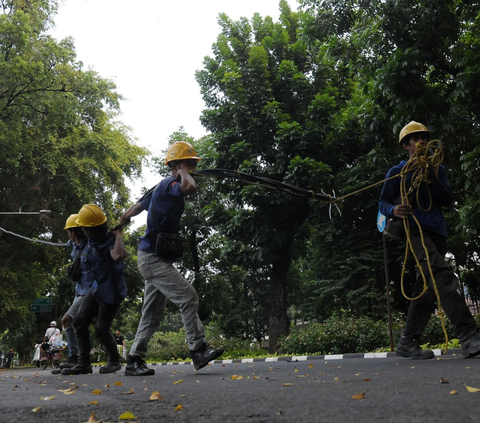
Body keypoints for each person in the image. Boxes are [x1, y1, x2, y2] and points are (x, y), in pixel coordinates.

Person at [118, 141, 223, 376]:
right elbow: (190, 188)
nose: (193, 168)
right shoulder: (169, 184)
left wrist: (124, 217)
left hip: (151, 257)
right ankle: (198, 349)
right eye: (189, 163)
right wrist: (182, 171)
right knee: (188, 298)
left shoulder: (160, 188)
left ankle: (134, 359)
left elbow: (138, 206)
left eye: (194, 164)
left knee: (151, 314)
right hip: (153, 259)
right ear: (174, 165)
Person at [379, 121, 480, 359]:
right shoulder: (397, 172)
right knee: (442, 276)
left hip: (437, 231)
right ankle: (468, 336)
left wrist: (433, 177)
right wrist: (394, 210)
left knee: (425, 288)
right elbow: (383, 202)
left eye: (424, 137)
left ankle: (407, 342)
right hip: (415, 231)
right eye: (415, 139)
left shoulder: (438, 169)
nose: (422, 141)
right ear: (406, 145)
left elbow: (446, 200)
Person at [61, 204, 127, 375]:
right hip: (96, 289)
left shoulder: (110, 240)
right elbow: (75, 240)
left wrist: (118, 235)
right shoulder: (90, 240)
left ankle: (114, 361)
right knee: (79, 321)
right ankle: (83, 363)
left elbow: (118, 255)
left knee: (101, 330)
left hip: (111, 291)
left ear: (90, 229)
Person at [57, 214, 95, 371]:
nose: (68, 235)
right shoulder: (74, 245)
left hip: (88, 292)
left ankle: (77, 358)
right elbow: (66, 243)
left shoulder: (90, 247)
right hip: (78, 291)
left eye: (68, 231)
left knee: (67, 320)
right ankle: (75, 358)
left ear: (74, 232)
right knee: (70, 323)